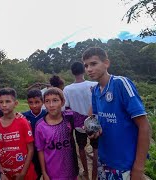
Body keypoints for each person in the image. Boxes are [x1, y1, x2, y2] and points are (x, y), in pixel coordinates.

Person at [82, 47, 151, 179]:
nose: (89, 69)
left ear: (106, 63)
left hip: (125, 164)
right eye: (86, 66)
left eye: (93, 63)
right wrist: (94, 130)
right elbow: (97, 119)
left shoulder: (121, 84)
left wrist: (138, 168)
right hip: (104, 159)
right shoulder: (95, 91)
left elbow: (144, 126)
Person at [35, 87, 87, 180]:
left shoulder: (70, 116)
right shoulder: (40, 126)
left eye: (55, 100)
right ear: (44, 104)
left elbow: (87, 122)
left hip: (70, 170)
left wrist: (93, 128)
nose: (51, 105)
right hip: (52, 173)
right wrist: (44, 172)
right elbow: (40, 150)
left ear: (62, 102)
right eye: (47, 101)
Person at [63, 61, 98, 180]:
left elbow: (66, 108)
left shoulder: (67, 89)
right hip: (94, 122)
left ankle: (86, 172)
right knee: (96, 148)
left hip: (78, 125)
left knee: (81, 148)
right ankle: (95, 173)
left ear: (72, 72)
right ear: (84, 70)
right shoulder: (94, 84)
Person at [0, 88, 37, 180]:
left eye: (8, 101)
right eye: (1, 102)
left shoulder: (22, 122)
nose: (4, 105)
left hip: (25, 174)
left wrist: (22, 174)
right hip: (6, 175)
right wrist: (1, 172)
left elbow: (31, 149)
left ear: (15, 103)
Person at [22, 89, 47, 180]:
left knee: (47, 173)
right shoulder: (23, 116)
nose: (34, 105)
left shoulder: (47, 114)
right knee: (34, 175)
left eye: (37, 102)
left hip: (46, 151)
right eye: (31, 103)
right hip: (31, 153)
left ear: (42, 102)